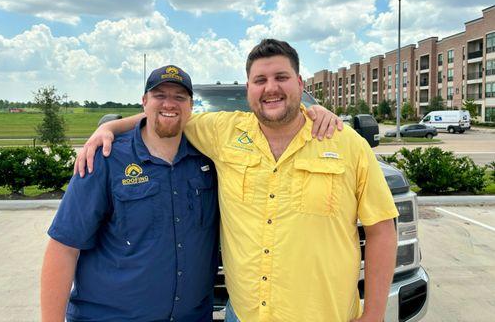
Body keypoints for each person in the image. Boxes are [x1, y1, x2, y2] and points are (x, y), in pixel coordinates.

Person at [76, 39, 397, 322]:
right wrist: (111, 128)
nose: (271, 87)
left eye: (281, 77)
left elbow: (381, 230)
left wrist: (374, 313)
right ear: (249, 89)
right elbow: (166, 115)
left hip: (325, 314)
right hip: (245, 314)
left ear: (300, 83)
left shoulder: (346, 144)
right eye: (260, 80)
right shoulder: (222, 132)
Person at [41, 65, 220, 321]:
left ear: (191, 106)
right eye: (160, 95)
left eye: (179, 97)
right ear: (144, 102)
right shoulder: (104, 159)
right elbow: (64, 247)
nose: (170, 103)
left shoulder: (209, 160)